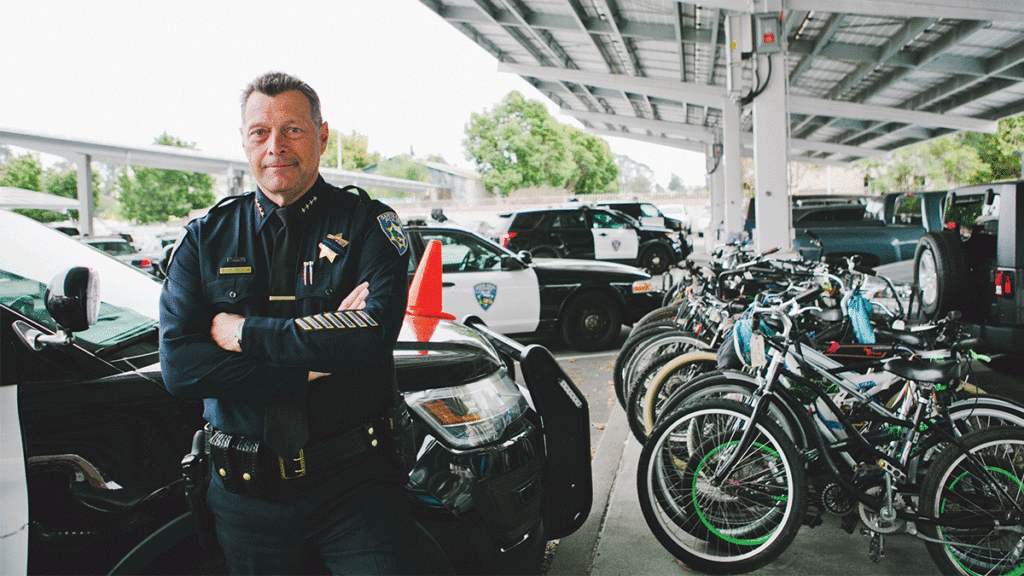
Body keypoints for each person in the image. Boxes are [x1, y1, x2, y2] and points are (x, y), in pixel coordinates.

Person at [159, 71, 428, 575]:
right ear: (244, 141)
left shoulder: (368, 225)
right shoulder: (204, 239)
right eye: (260, 132)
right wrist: (311, 361)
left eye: (293, 130)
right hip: (245, 501)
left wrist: (241, 334)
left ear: (322, 136)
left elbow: (370, 340)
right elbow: (181, 368)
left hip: (356, 490)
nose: (275, 145)